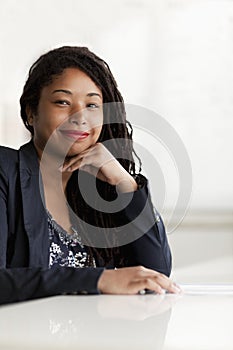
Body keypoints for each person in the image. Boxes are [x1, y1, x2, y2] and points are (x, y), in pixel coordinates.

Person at [0, 46, 180, 304]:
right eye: (62, 102)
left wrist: (125, 184)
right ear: (31, 112)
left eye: (92, 105)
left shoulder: (99, 190)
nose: (79, 117)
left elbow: (154, 274)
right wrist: (98, 280)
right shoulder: (5, 170)